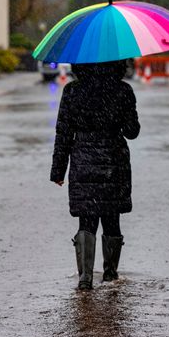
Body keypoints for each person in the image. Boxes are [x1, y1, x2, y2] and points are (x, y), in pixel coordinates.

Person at [51, 60, 140, 290]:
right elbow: (132, 132)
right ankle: (111, 276)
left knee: (87, 220)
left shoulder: (72, 91)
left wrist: (58, 170)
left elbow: (63, 133)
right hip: (113, 163)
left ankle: (85, 279)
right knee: (111, 219)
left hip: (83, 161)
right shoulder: (122, 91)